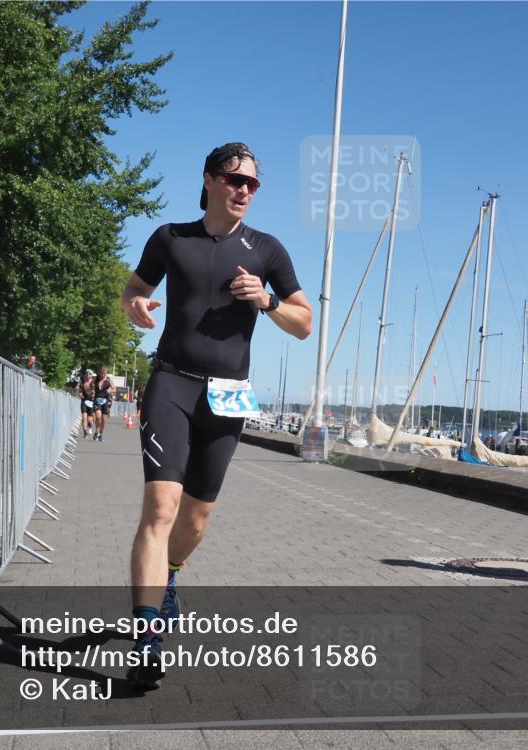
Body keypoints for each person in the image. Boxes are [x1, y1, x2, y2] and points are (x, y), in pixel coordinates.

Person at [120, 142, 311, 686]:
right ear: (209, 180)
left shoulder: (267, 250)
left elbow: (305, 323)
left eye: (252, 184)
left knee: (195, 520)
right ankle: (146, 636)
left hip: (228, 396)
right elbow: (135, 290)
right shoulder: (170, 238)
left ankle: (172, 575)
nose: (244, 191)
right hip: (171, 384)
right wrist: (134, 305)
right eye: (235, 180)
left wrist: (268, 301)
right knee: (161, 509)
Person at [92, 366, 112, 442]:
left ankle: (100, 433)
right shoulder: (96, 380)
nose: (103, 375)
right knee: (98, 417)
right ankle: (97, 431)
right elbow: (92, 386)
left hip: (105, 401)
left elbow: (113, 388)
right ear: (100, 373)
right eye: (102, 374)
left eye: (104, 374)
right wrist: (92, 391)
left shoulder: (108, 381)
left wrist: (109, 391)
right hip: (97, 400)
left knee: (103, 419)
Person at [78, 370, 96, 439]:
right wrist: (80, 394)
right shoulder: (82, 381)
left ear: (91, 375)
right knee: (84, 417)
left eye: (90, 374)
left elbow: (96, 391)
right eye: (87, 374)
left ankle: (90, 426)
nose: (88, 375)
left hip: (91, 401)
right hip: (84, 400)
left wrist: (94, 394)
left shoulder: (94, 382)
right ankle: (85, 432)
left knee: (90, 419)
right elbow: (79, 390)